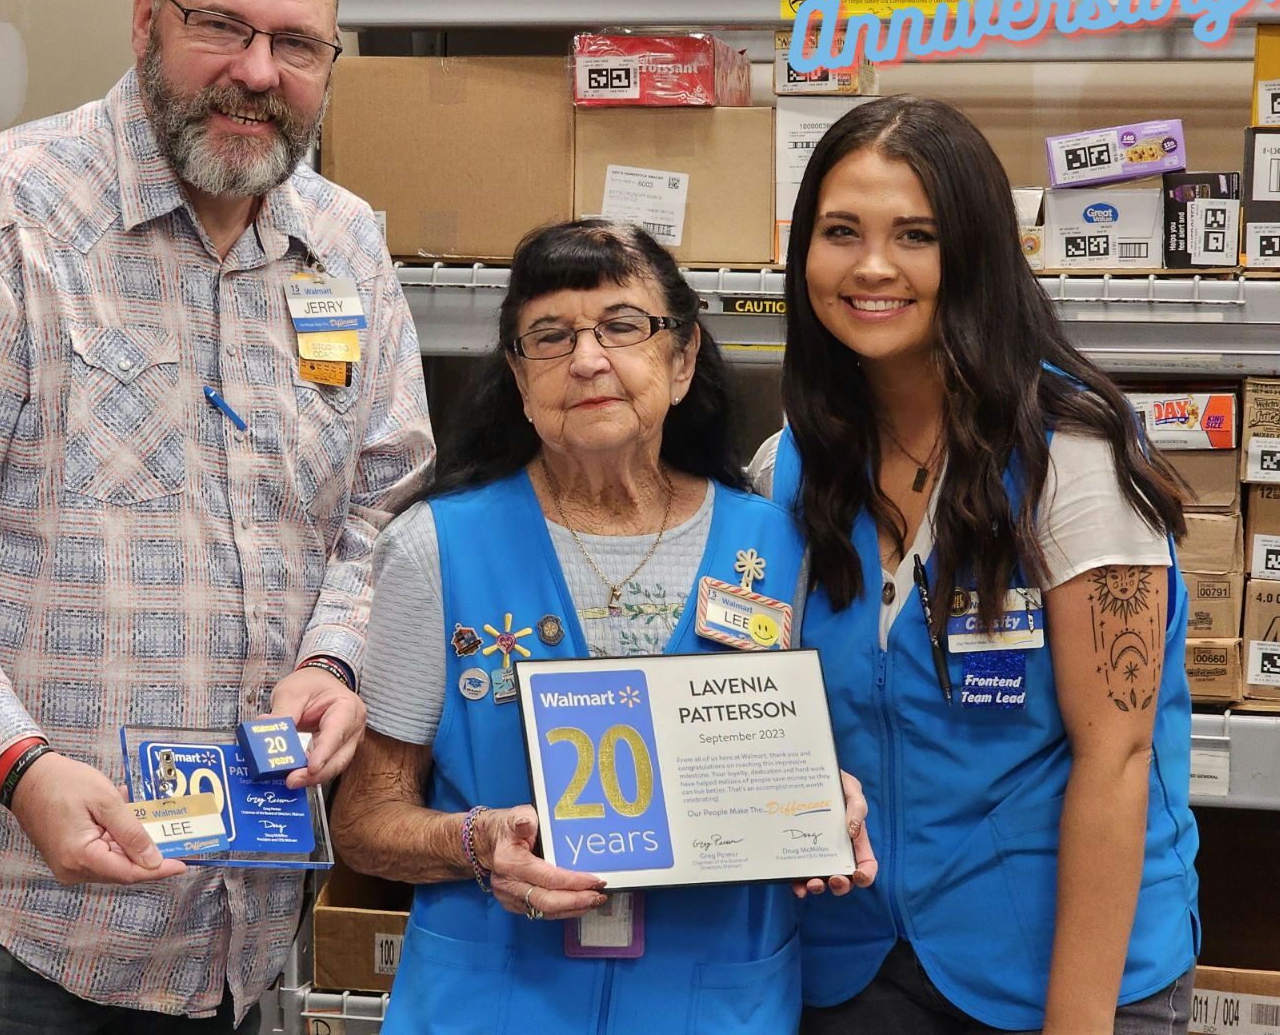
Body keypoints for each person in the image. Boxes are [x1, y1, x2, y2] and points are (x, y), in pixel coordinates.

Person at [0, 0, 433, 1032]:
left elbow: (382, 505)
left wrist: (336, 658)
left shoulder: (345, 247)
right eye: (221, 26)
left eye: (296, 44)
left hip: (235, 931)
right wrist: (19, 764)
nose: (257, 72)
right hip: (10, 925)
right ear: (148, 18)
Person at [332, 220, 875, 1035]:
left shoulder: (780, 546)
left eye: (623, 326)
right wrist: (475, 842)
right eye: (550, 336)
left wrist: (826, 805)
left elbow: (821, 758)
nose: (587, 359)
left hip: (712, 1000)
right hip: (494, 1002)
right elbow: (364, 823)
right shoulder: (434, 548)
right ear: (519, 378)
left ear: (682, 360)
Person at [752, 96, 1199, 1035]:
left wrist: (1076, 1024)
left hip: (1055, 974)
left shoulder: (1071, 461)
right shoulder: (790, 464)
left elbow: (1117, 758)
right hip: (853, 965)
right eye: (841, 232)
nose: (873, 267)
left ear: (978, 254)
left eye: (915, 235)